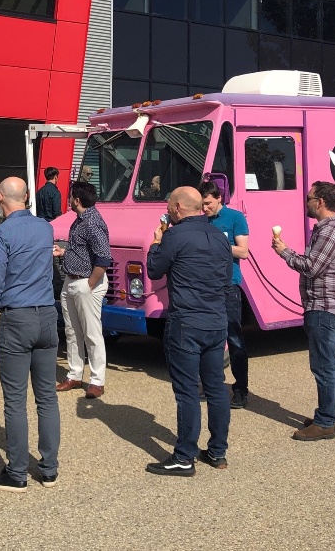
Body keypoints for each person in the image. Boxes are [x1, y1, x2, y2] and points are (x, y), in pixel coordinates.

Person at [0, 177, 59, 492]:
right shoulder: (45, 228)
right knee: (47, 397)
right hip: (46, 314)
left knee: (16, 400)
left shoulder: (2, 233)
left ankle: (17, 473)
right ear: (27, 196)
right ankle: (49, 469)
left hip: (18, 318)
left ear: (0, 198)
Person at [146, 187, 231, 476]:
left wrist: (157, 243)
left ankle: (184, 457)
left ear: (179, 207)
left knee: (187, 392)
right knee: (216, 387)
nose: (168, 209)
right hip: (217, 319)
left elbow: (155, 270)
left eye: (170, 205)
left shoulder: (175, 235)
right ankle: (218, 452)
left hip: (187, 321)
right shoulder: (220, 237)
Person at [273, 181, 335, 442]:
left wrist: (284, 252)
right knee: (329, 365)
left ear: (321, 202)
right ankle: (329, 415)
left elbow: (311, 266)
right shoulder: (326, 230)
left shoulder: (328, 233)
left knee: (323, 366)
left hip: (324, 306)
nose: (306, 202)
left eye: (309, 198)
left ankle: (326, 422)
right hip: (324, 305)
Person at [53, 181, 111, 399]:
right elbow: (84, 251)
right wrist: (65, 252)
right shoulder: (80, 220)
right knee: (72, 330)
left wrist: (90, 284)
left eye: (70, 197)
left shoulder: (92, 222)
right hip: (73, 280)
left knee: (91, 332)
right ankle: (75, 374)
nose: (68, 200)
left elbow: (104, 258)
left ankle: (97, 380)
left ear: (77, 200)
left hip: (87, 282)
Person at [199, 181, 251, 409]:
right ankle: (211, 385)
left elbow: (243, 251)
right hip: (205, 287)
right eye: (202, 204)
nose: (205, 208)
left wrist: (217, 243)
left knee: (235, 338)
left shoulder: (235, 218)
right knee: (208, 339)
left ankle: (240, 389)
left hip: (228, 286)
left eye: (208, 203)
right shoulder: (201, 221)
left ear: (219, 198)